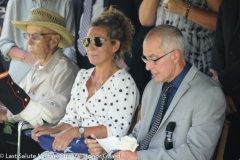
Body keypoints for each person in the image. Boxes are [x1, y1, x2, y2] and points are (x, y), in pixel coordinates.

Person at [85, 25, 226, 160]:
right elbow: (137, 136)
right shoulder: (153, 86)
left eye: (153, 59)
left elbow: (197, 155)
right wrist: (110, 149)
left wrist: (139, 158)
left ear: (175, 56)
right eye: (145, 58)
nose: (147, 67)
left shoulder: (209, 94)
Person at [31, 7, 140, 160]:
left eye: (97, 41)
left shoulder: (124, 82)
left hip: (100, 153)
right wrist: (53, 130)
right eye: (87, 40)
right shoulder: (82, 75)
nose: (90, 46)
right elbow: (71, 118)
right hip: (72, 149)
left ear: (115, 45)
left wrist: (77, 132)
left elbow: (115, 130)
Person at [0, 8, 79, 159]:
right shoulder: (37, 66)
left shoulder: (66, 70)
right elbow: (21, 96)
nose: (28, 42)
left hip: (38, 140)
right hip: (19, 134)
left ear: (54, 40)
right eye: (27, 35)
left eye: (35, 36)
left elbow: (55, 112)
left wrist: (8, 114)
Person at [0, 0, 76, 84]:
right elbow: (4, 43)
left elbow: (69, 47)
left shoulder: (65, 3)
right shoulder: (15, 2)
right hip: (18, 76)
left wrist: (63, 71)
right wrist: (27, 57)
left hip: (54, 75)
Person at [139, 0, 222, 76]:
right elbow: (145, 20)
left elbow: (221, 22)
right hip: (162, 59)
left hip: (195, 59)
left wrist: (184, 9)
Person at [210, 0, 240, 159]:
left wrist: (224, 81)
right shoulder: (228, 3)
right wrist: (221, 89)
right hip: (230, 98)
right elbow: (219, 43)